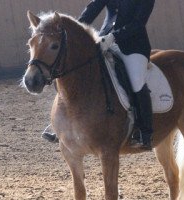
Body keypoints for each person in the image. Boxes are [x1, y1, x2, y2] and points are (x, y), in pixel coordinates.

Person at [43, 0, 155, 150]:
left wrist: (114, 37)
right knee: (72, 72)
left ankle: (144, 131)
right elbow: (92, 10)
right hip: (103, 40)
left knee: (136, 82)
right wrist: (75, 30)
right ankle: (61, 125)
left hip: (133, 46)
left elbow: (138, 23)